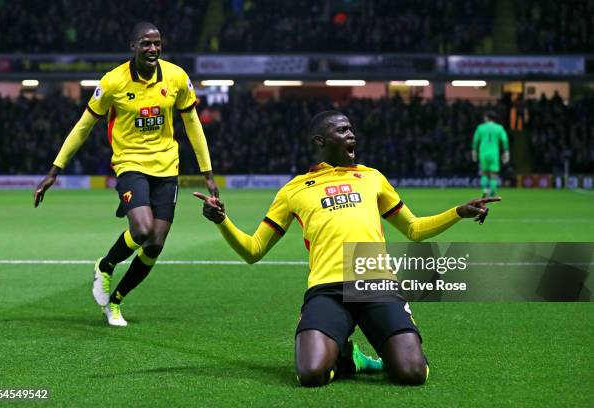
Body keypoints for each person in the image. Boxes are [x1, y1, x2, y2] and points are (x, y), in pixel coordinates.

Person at [194, 111, 500, 386]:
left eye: (351, 128)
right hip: (327, 289)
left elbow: (414, 229)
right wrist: (222, 220)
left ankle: (397, 352)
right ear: (320, 140)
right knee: (310, 375)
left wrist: (457, 213)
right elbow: (254, 249)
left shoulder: (371, 177)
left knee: (412, 374)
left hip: (376, 283)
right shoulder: (293, 190)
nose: (351, 134)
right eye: (342, 130)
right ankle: (347, 357)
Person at [34, 22, 219, 327]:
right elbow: (83, 126)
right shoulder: (112, 83)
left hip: (167, 167)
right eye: (146, 44)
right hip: (130, 164)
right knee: (143, 229)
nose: (153, 50)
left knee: (155, 245)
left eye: (157, 44)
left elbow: (193, 125)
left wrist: (207, 171)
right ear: (132, 46)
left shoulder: (176, 77)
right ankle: (105, 266)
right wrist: (55, 170)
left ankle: (116, 301)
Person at [472, 111, 510, 198]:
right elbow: (504, 140)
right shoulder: (499, 128)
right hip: (494, 154)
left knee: (484, 173)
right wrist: (506, 151)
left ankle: (485, 190)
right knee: (493, 174)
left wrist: (474, 151)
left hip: (483, 153)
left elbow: (475, 140)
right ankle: (492, 193)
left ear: (487, 117)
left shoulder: (480, 127)